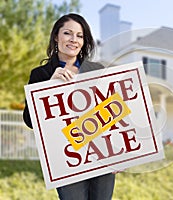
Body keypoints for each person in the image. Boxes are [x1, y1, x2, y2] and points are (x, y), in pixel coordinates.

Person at [23, 13, 115, 200]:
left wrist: (123, 154)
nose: (74, 40)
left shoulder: (97, 70)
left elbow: (114, 114)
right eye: (68, 33)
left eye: (79, 36)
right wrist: (49, 85)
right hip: (66, 159)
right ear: (56, 36)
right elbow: (30, 120)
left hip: (101, 153)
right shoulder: (41, 74)